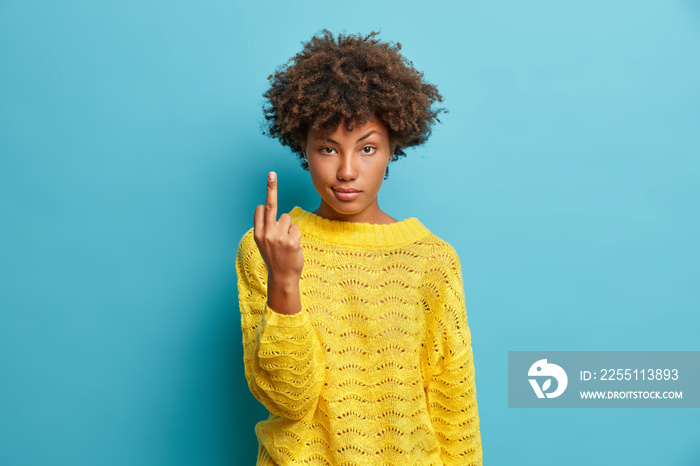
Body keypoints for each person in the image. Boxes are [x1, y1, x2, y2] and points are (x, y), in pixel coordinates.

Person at [236, 29, 483, 465]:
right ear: (304, 150)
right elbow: (288, 400)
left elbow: (454, 407)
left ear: (392, 150)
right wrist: (285, 281)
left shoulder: (432, 260)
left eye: (367, 148)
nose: (347, 171)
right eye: (328, 148)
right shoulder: (267, 248)